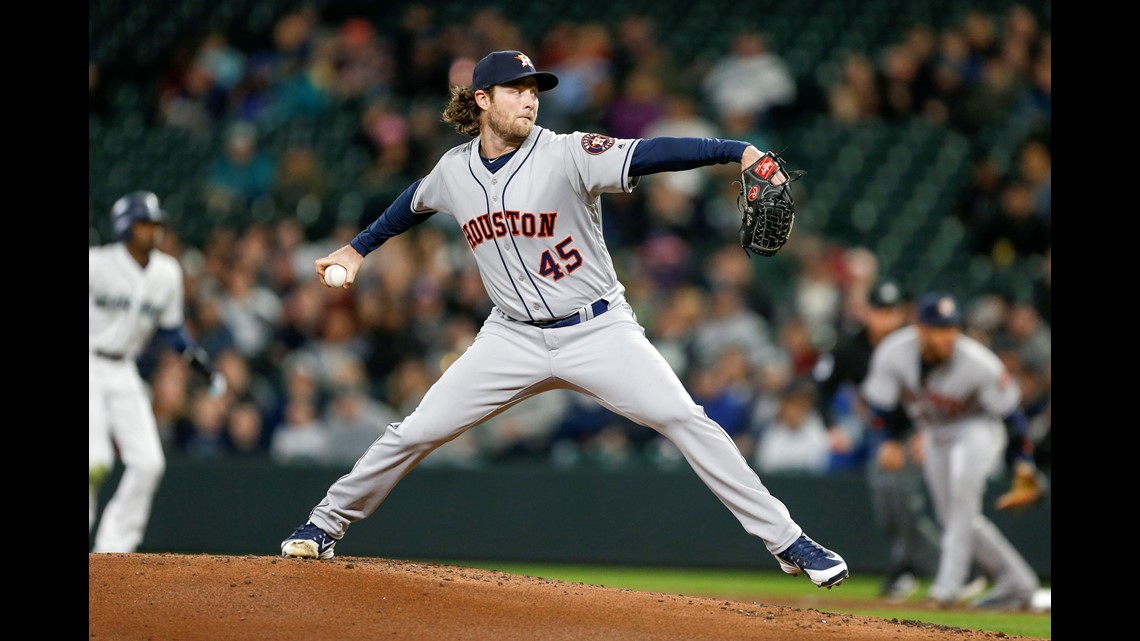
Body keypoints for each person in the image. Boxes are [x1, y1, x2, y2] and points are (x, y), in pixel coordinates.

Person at [279, 50, 849, 589]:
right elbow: (411, 203)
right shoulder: (454, 171)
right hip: (511, 336)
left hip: (598, 329)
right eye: (516, 90)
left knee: (685, 419)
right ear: (482, 100)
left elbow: (648, 154)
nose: (530, 100)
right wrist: (356, 250)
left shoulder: (568, 151)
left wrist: (735, 150)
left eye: (534, 91)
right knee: (416, 431)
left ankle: (789, 541)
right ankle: (323, 526)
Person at [860, 291, 1042, 610]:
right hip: (934, 431)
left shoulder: (978, 362)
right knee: (955, 517)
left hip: (978, 427)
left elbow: (1013, 416)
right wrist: (886, 440)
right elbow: (880, 406)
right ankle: (1018, 582)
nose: (947, 337)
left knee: (961, 498)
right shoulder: (894, 352)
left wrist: (1023, 463)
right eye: (938, 329)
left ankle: (947, 588)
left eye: (951, 328)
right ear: (920, 329)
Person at [90, 191, 227, 552]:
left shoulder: (167, 272)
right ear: (125, 226)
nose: (154, 230)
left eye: (156, 224)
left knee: (149, 463)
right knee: (94, 459)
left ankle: (113, 551)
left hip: (124, 369)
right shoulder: (97, 263)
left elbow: (170, 329)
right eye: (145, 223)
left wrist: (197, 361)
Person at [812, 279, 947, 601]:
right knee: (887, 502)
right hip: (881, 430)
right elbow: (822, 389)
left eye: (891, 311)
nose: (885, 319)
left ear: (902, 313)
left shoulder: (918, 344)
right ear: (866, 312)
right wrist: (831, 426)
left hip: (920, 427)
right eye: (879, 311)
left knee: (904, 495)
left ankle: (932, 568)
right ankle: (913, 566)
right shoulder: (849, 346)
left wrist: (932, 432)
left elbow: (946, 388)